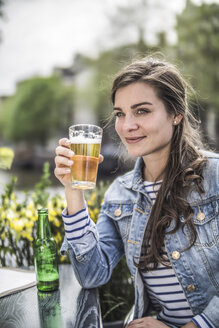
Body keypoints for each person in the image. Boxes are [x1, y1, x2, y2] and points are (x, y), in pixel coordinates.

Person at [54, 55, 219, 328]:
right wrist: (73, 192)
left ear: (176, 114)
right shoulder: (121, 194)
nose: (127, 126)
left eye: (141, 111)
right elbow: (92, 274)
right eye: (120, 113)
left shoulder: (214, 177)